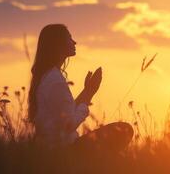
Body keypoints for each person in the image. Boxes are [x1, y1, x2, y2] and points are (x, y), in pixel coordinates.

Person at [28, 24, 133, 153]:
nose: (74, 42)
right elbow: (69, 125)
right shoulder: (55, 80)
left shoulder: (49, 76)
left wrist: (88, 91)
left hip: (58, 148)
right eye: (69, 38)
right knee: (125, 129)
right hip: (64, 151)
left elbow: (66, 113)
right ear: (58, 45)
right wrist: (86, 102)